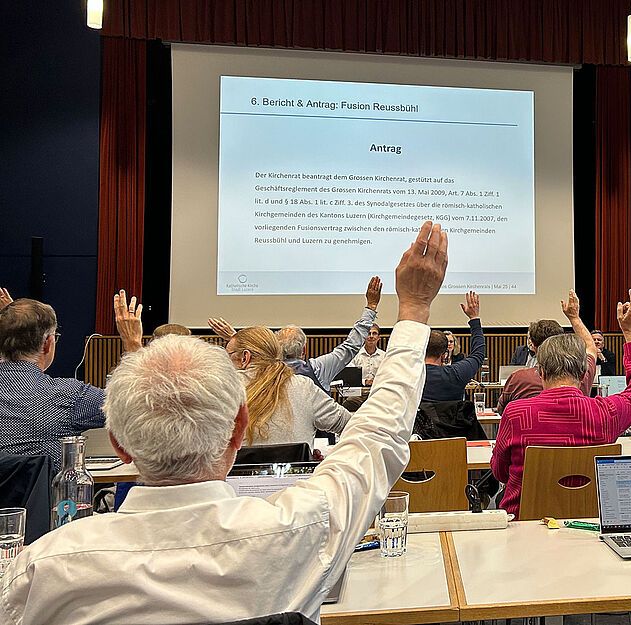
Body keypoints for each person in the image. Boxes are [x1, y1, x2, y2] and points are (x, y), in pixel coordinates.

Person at [0, 222, 449, 624]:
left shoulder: (43, 572)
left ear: (119, 444)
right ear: (237, 429)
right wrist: (413, 310)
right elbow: (378, 435)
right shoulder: (297, 532)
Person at [492, 289, 631, 517]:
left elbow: (499, 473)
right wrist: (630, 334)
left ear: (541, 372)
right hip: (590, 524)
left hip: (524, 524)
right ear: (584, 373)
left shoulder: (516, 414)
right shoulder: (606, 413)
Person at [0, 290, 143, 466]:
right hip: (49, 486)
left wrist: (13, 326)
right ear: (47, 343)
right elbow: (139, 406)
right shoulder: (69, 396)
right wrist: (132, 343)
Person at [207, 276, 383, 391]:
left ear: (276, 349)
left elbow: (251, 356)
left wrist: (235, 338)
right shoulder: (318, 369)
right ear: (304, 350)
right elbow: (351, 346)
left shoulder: (264, 371)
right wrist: (371, 306)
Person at [226, 326, 351, 446]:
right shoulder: (303, 387)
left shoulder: (225, 388)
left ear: (245, 358)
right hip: (297, 462)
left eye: (227, 355)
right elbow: (350, 424)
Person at [496, 292, 599, 414]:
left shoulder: (518, 378)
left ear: (534, 346)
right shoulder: (580, 376)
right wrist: (574, 318)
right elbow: (590, 347)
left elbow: (502, 410)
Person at [422, 291, 486, 402]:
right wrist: (474, 318)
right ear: (444, 356)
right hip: (452, 414)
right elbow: (478, 355)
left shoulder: (409, 375)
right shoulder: (456, 373)